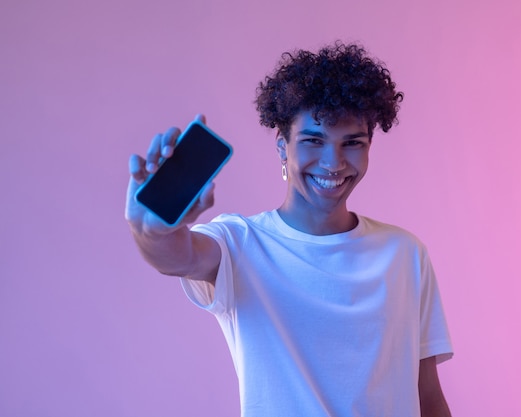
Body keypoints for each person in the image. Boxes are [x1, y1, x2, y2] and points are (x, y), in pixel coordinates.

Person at [126, 42, 453, 417]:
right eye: (313, 140)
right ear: (282, 145)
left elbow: (428, 397)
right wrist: (153, 231)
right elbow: (177, 257)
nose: (333, 163)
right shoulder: (240, 244)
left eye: (352, 143)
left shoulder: (405, 253)